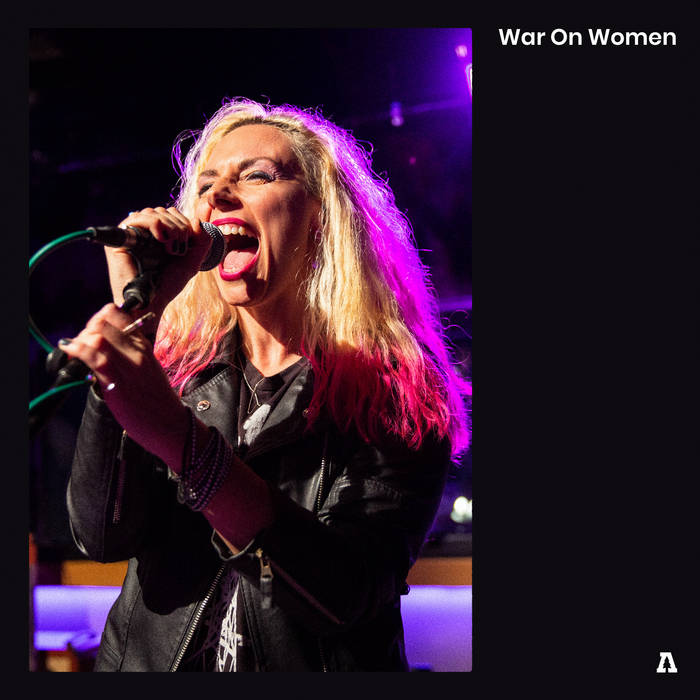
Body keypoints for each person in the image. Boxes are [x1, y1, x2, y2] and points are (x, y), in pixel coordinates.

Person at [62, 97, 470, 672]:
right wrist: (139, 320)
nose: (218, 195)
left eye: (256, 175)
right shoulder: (178, 368)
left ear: (323, 214)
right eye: (207, 183)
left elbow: (343, 594)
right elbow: (101, 537)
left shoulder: (396, 386)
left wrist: (182, 442)